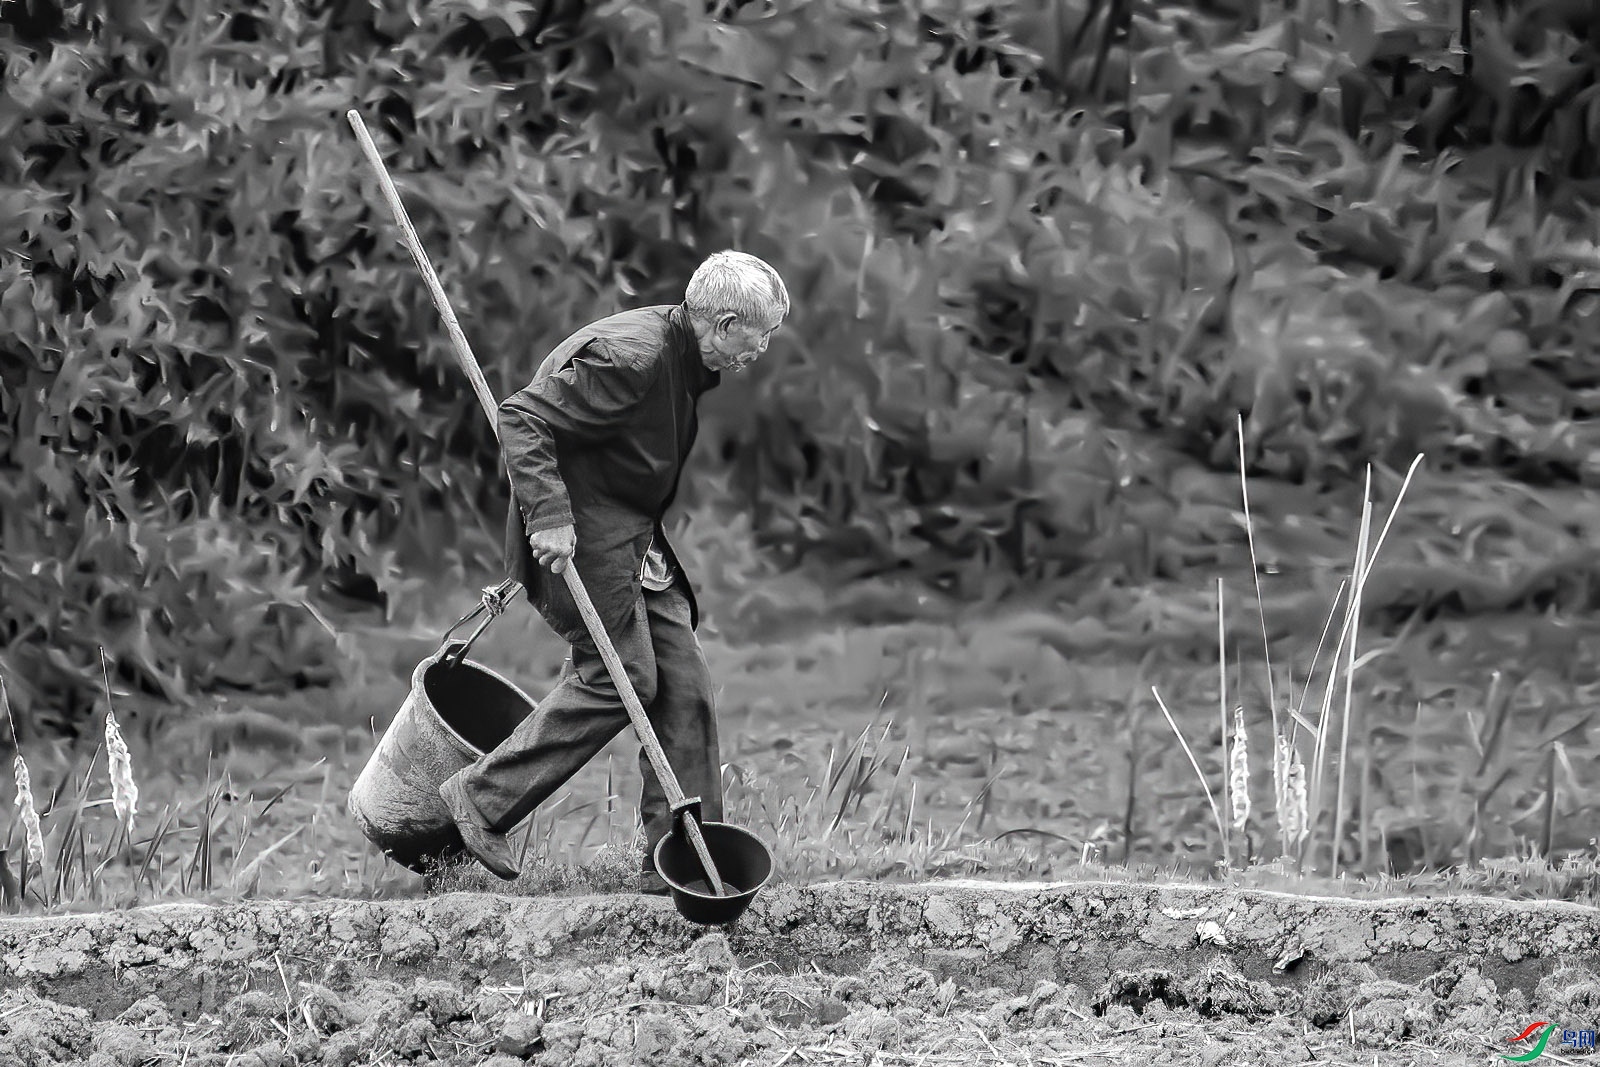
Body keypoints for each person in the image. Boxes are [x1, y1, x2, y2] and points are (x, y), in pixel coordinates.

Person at [438, 251, 788, 893]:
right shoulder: (632, 358)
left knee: (683, 685)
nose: (763, 346)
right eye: (760, 333)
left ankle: (683, 860)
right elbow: (523, 418)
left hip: (633, 532)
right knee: (619, 677)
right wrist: (548, 516)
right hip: (583, 525)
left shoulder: (683, 353)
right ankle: (481, 799)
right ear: (727, 320)